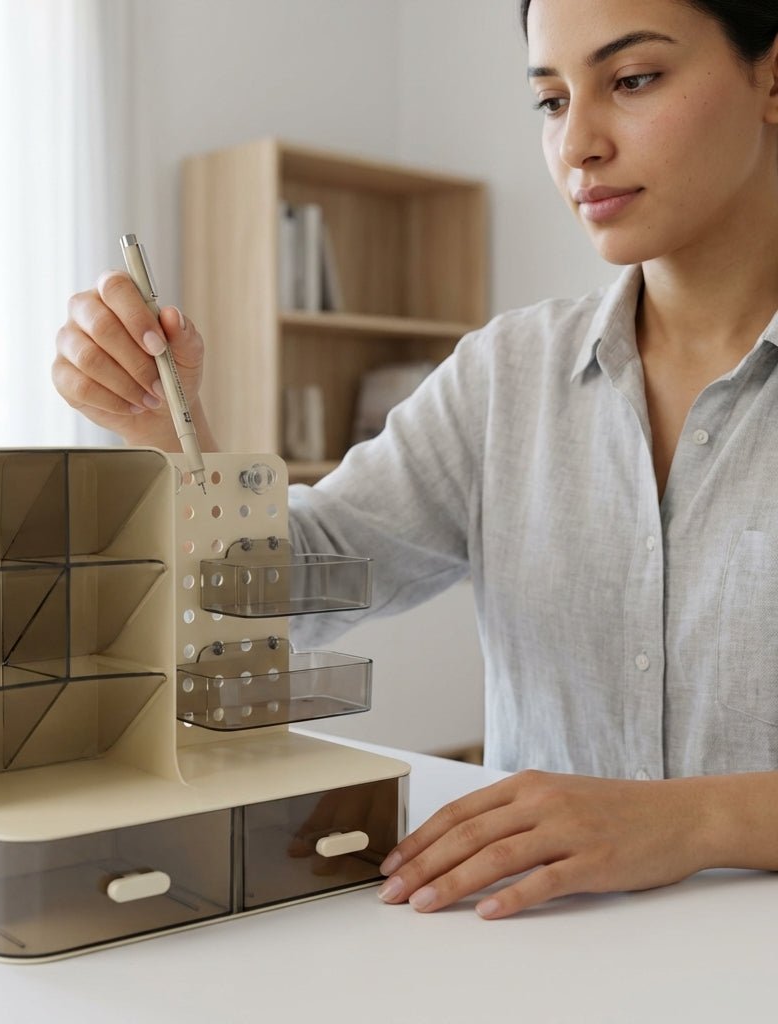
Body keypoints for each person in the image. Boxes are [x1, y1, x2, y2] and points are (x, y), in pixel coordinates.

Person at [51, 0, 778, 920]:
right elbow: (286, 590)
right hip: (543, 963)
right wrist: (171, 429)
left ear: (771, 78)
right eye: (551, 101)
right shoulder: (504, 377)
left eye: (632, 81)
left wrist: (693, 821)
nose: (579, 143)